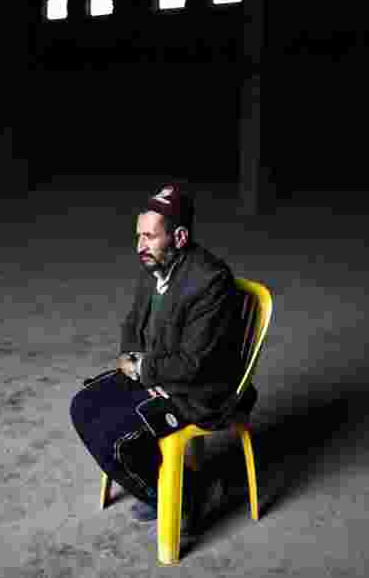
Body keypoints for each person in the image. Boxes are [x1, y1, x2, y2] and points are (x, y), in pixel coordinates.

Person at [70, 183, 257, 535]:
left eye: (149, 236)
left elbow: (195, 364)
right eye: (138, 235)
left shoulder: (210, 281)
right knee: (83, 406)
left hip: (199, 393)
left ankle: (185, 497)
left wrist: (145, 371)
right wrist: (135, 362)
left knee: (114, 436)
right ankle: (180, 487)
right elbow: (131, 324)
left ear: (180, 237)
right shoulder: (154, 265)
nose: (140, 246)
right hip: (158, 376)